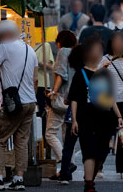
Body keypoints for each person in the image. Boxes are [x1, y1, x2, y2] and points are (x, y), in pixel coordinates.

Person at [0, 20, 39, 190]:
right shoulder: (31, 50)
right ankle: (19, 178)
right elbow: (35, 80)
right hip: (30, 103)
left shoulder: (5, 47)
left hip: (14, 104)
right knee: (21, 141)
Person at [67, 35, 123, 192]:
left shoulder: (104, 73)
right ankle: (89, 185)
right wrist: (74, 120)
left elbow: (110, 97)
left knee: (102, 152)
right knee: (89, 151)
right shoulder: (80, 74)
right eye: (94, 50)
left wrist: (119, 116)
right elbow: (74, 99)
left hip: (105, 118)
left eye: (100, 50)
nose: (98, 53)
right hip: (86, 118)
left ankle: (91, 179)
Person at [101, 31, 123, 179]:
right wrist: (102, 68)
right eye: (115, 41)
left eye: (121, 41)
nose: (118, 44)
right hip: (106, 102)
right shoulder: (104, 59)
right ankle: (98, 166)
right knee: (104, 136)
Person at [46, 30, 78, 183]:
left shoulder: (63, 52)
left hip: (62, 99)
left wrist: (53, 91)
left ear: (61, 41)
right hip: (74, 100)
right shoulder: (77, 53)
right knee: (67, 136)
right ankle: (65, 172)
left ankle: (67, 163)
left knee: (50, 133)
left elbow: (61, 75)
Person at [34, 39, 54, 122]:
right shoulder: (25, 44)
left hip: (42, 84)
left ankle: (43, 134)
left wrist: (38, 62)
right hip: (28, 84)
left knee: (41, 113)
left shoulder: (45, 45)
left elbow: (50, 66)